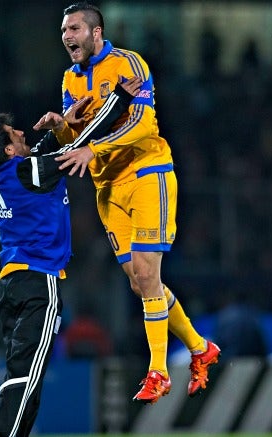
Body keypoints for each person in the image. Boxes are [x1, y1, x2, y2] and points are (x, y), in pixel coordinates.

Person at [33, 2, 220, 404]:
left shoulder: (127, 65)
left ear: (96, 33)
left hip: (146, 173)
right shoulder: (70, 79)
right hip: (109, 188)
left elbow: (141, 123)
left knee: (148, 274)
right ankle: (201, 348)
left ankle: (158, 370)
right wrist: (62, 127)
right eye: (64, 30)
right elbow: (76, 144)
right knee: (139, 281)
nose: (67, 37)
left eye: (75, 29)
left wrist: (93, 148)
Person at [0, 76, 140, 437]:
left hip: (12, 283)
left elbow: (44, 158)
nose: (22, 133)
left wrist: (63, 123)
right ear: (9, 151)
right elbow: (76, 149)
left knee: (24, 371)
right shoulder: (24, 171)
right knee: (27, 373)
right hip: (38, 279)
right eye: (16, 134)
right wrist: (118, 101)